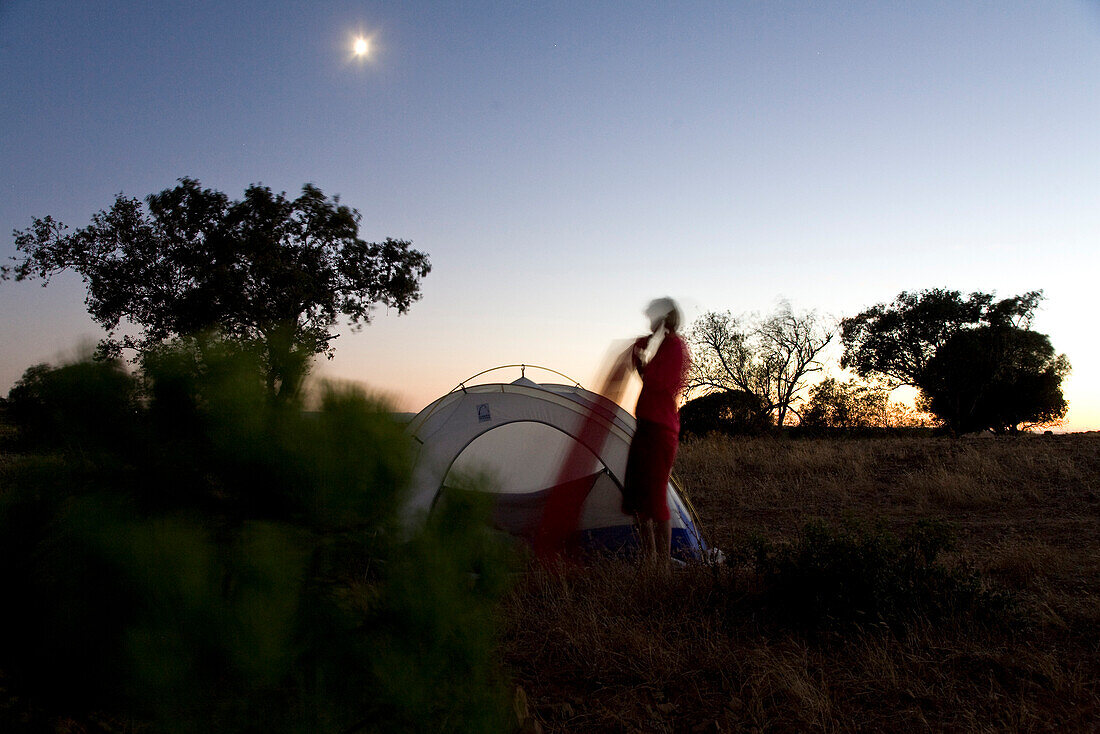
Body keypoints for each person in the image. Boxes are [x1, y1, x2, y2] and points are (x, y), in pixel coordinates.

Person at [622, 298, 691, 575]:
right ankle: (649, 559)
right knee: (639, 497)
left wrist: (641, 359)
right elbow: (652, 382)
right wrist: (640, 360)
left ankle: (661, 563)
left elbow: (659, 383)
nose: (649, 321)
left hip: (659, 430)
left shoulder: (674, 346)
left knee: (654, 496)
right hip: (648, 425)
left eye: (653, 316)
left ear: (663, 318)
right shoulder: (664, 345)